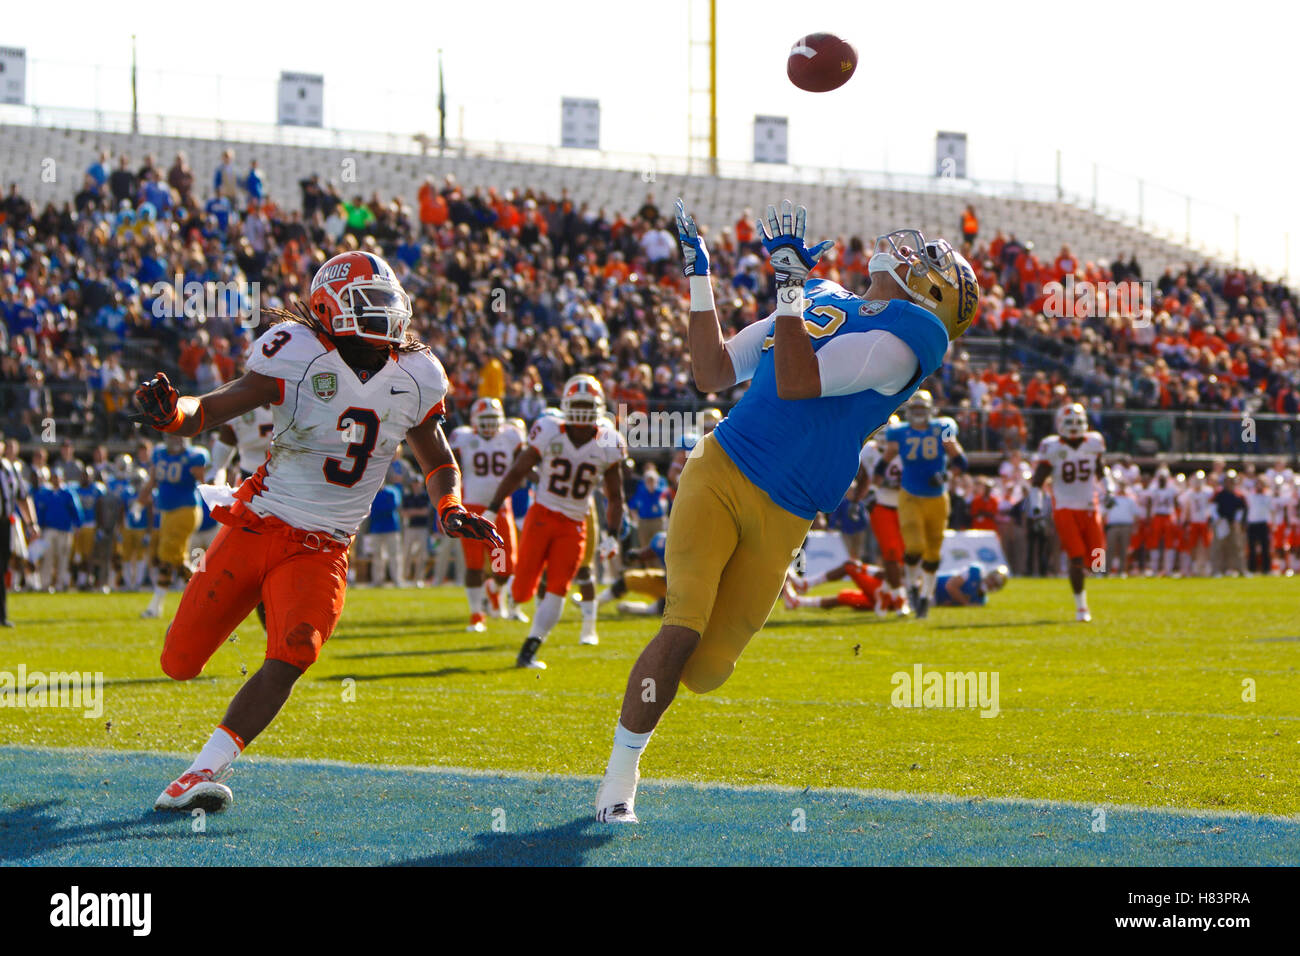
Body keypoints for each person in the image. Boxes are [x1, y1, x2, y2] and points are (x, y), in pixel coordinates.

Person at [593, 201, 977, 824]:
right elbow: (712, 371)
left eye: (924, 259)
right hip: (721, 467)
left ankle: (638, 721)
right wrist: (700, 278)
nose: (907, 252)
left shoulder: (901, 347)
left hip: (788, 513)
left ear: (930, 294)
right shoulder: (822, 293)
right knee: (683, 624)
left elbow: (800, 379)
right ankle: (618, 782)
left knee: (709, 671)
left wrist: (792, 289)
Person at [135, 251, 501, 814]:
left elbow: (437, 457)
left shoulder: (418, 372)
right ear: (331, 307)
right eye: (369, 304)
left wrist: (449, 505)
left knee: (296, 650)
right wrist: (173, 416)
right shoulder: (295, 350)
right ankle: (247, 611)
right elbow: (212, 407)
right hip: (258, 523)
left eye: (388, 303)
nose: (384, 316)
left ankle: (199, 773)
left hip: (324, 544)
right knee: (178, 663)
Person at [482, 377, 627, 666]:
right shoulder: (549, 429)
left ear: (599, 408)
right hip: (542, 514)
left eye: (589, 405)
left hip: (574, 522)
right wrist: (492, 509)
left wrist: (611, 534)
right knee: (523, 591)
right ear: (566, 405)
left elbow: (615, 495)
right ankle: (502, 590)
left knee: (559, 586)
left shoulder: (609, 440)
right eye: (579, 404)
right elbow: (517, 470)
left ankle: (530, 648)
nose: (583, 411)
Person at [882, 390, 967, 618]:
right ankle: (911, 585)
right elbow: (884, 462)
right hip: (910, 494)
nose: (919, 414)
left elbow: (960, 460)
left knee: (932, 551)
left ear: (930, 411)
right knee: (915, 547)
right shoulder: (898, 432)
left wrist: (946, 476)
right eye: (915, 410)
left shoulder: (943, 427)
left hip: (937, 496)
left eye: (922, 410)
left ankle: (925, 596)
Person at [448, 397, 526, 627]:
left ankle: (494, 588)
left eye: (493, 419)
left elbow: (524, 463)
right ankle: (476, 615)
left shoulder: (511, 437)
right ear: (474, 421)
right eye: (485, 420)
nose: (489, 425)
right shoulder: (463, 438)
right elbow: (450, 466)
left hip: (500, 507)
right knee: (473, 564)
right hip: (471, 508)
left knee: (504, 566)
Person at [1030, 403, 1104, 621]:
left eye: (1077, 421)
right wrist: (1036, 508)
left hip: (1090, 504)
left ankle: (1084, 575)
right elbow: (1037, 482)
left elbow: (1100, 468)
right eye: (1069, 422)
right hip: (1064, 506)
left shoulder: (1094, 442)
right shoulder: (1051, 446)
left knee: (1098, 561)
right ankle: (1081, 606)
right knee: (1077, 557)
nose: (1073, 426)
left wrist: (1107, 490)